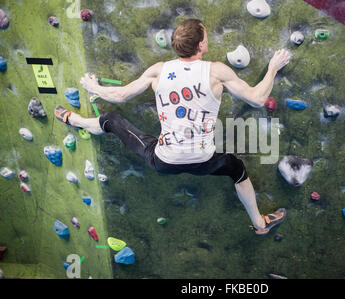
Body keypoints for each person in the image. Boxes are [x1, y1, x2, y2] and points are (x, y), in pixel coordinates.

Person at [54, 19, 291, 235]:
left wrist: (95, 88)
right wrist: (273, 68)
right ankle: (260, 224)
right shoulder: (217, 71)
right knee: (237, 169)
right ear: (201, 46)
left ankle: (80, 122)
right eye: (205, 37)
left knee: (112, 120)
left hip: (164, 162)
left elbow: (121, 94)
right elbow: (258, 99)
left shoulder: (158, 70)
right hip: (204, 162)